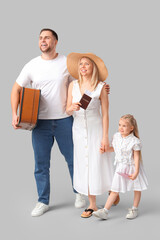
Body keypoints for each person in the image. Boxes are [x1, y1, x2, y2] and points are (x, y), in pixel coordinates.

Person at [11, 28, 88, 217]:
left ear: (55, 42)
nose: (43, 40)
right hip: (39, 124)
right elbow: (16, 89)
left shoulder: (66, 63)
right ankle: (42, 201)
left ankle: (79, 193)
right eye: (40, 38)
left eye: (47, 37)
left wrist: (88, 103)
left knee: (74, 160)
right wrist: (14, 114)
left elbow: (83, 85)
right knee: (41, 164)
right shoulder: (31, 65)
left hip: (65, 120)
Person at [66, 52, 117, 218]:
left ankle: (112, 190)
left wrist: (104, 137)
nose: (83, 67)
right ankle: (92, 204)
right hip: (78, 129)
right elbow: (66, 109)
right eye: (80, 64)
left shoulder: (101, 86)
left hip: (96, 129)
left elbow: (106, 114)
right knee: (85, 163)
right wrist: (71, 108)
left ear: (93, 67)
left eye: (86, 64)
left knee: (99, 161)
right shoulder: (72, 86)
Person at [93, 114, 148, 220]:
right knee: (114, 189)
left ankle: (134, 208)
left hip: (132, 167)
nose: (121, 128)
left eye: (124, 126)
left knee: (137, 188)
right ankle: (105, 211)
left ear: (131, 128)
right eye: (120, 125)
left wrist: (136, 171)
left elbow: (136, 157)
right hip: (120, 168)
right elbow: (114, 148)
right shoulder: (116, 136)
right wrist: (105, 150)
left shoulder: (134, 141)